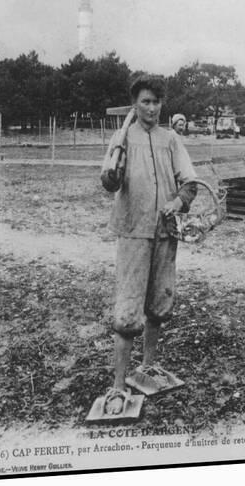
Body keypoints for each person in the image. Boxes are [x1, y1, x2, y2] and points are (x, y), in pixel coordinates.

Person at [95, 75, 197, 418]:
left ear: (161, 105)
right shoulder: (122, 137)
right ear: (134, 105)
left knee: (159, 302)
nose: (151, 108)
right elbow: (108, 183)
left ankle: (148, 366)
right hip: (134, 231)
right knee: (127, 310)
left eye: (156, 102)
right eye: (144, 102)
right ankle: (118, 385)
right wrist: (111, 174)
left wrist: (179, 202)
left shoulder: (171, 140)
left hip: (165, 232)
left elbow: (190, 183)